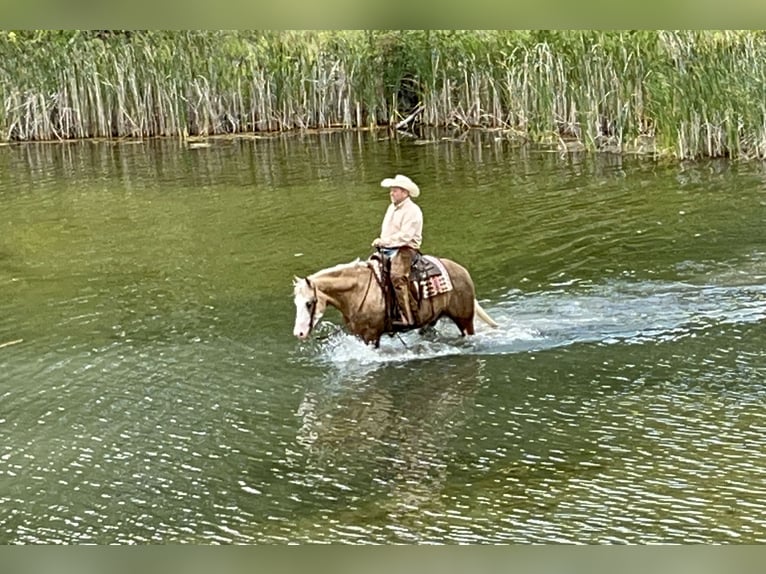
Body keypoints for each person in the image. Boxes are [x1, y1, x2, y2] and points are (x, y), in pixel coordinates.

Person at [371, 174, 423, 327]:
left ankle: (408, 316)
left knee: (397, 276)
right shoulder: (391, 208)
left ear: (405, 193)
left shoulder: (413, 210)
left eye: (395, 190)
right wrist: (383, 243)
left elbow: (406, 237)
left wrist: (383, 241)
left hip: (406, 248)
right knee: (369, 271)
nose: (391, 193)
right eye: (391, 190)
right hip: (387, 248)